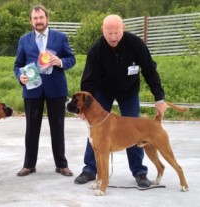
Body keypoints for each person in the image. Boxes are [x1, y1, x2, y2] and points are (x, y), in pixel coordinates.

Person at [74, 14, 168, 187]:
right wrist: (83, 110)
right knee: (96, 131)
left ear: (123, 28)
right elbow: (88, 80)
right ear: (102, 30)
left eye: (116, 33)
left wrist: (159, 97)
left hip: (129, 92)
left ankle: (139, 172)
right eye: (109, 33)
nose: (113, 37)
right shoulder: (96, 50)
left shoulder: (136, 44)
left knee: (135, 131)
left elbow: (149, 70)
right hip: (104, 93)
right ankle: (89, 169)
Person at [14, 5, 76, 177]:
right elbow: (17, 65)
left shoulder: (60, 37)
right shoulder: (24, 40)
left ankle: (61, 164)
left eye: (41, 18)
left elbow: (72, 59)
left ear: (47, 18)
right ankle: (29, 165)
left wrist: (60, 62)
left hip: (56, 89)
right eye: (35, 18)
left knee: (58, 127)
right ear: (31, 21)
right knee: (31, 128)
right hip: (32, 90)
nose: (38, 21)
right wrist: (20, 76)